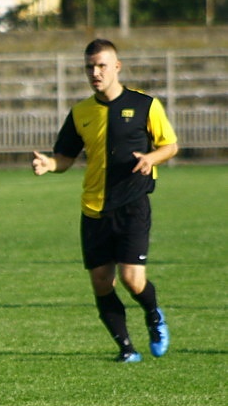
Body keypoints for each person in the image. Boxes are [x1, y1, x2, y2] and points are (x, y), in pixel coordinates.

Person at [32, 38, 178, 363]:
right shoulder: (81, 112)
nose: (95, 72)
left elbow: (170, 145)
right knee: (101, 282)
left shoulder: (145, 105)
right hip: (94, 208)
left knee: (131, 278)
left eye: (101, 65)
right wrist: (49, 164)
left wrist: (152, 158)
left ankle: (154, 315)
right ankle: (126, 348)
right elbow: (64, 158)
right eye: (89, 67)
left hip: (132, 204)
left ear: (117, 66)